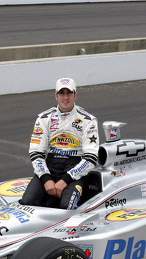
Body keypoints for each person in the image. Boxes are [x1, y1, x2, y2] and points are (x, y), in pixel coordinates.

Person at [20, 77, 99, 210]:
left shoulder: (88, 120)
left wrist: (65, 180)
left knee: (66, 207)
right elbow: (36, 152)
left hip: (75, 170)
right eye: (61, 93)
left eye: (69, 93)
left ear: (75, 95)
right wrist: (46, 179)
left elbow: (91, 158)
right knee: (27, 201)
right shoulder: (44, 118)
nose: (65, 97)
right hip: (50, 167)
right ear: (56, 96)